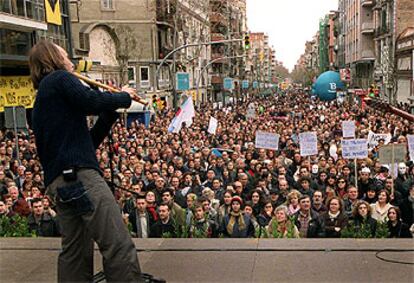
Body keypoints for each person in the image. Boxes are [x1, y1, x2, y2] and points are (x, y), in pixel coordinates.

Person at [29, 40, 159, 282]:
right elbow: (89, 102)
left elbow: (86, 144)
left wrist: (108, 115)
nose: (71, 60)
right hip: (81, 178)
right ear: (53, 59)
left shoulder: (44, 98)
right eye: (65, 55)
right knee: (117, 243)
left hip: (61, 182)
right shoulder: (60, 78)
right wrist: (122, 97)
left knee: (75, 252)